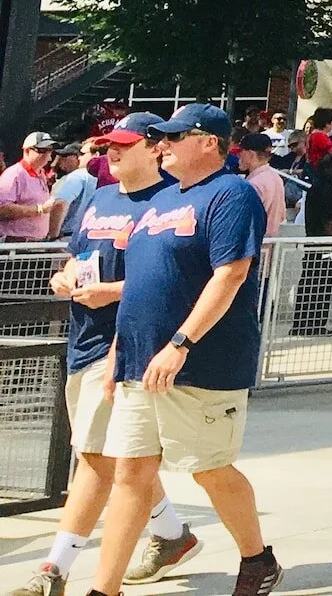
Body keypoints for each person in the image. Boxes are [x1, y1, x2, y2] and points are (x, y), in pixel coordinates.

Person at [86, 103, 280, 596]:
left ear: (209, 142)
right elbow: (145, 283)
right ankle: (103, 589)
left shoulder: (231, 194)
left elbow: (231, 273)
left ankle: (257, 559)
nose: (162, 145)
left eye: (174, 136)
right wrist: (118, 349)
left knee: (209, 468)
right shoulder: (160, 201)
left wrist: (181, 343)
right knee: (131, 472)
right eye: (160, 138)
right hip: (138, 361)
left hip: (199, 364)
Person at [25, 115, 195, 596]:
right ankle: (171, 533)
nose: (111, 152)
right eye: (107, 145)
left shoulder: (169, 202)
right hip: (82, 339)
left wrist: (113, 292)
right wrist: (66, 276)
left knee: (96, 460)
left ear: (154, 147)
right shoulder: (100, 198)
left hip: (126, 344)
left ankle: (53, 569)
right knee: (117, 457)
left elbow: (174, 280)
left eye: (122, 144)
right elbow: (78, 256)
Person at [0, 132, 57, 242]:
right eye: (42, 150)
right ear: (27, 151)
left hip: (35, 245)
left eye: (50, 150)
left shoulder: (41, 174)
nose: (48, 154)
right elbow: (2, 209)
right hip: (15, 247)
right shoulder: (14, 174)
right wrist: (40, 209)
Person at [232, 133, 287, 242]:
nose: (238, 156)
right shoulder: (276, 178)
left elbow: (244, 220)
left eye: (241, 152)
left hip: (254, 246)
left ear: (250, 154)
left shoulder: (254, 184)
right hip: (272, 245)